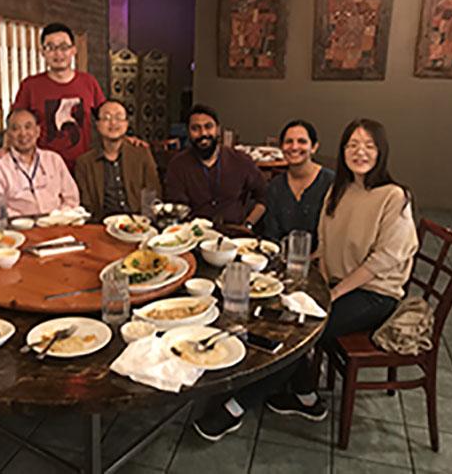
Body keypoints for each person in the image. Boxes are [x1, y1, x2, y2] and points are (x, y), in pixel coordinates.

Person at [265, 118, 419, 421]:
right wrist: (308, 280)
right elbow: (325, 243)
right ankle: (303, 391)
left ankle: (242, 403)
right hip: (336, 284)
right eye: (353, 145)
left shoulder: (394, 196)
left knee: (304, 329)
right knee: (280, 310)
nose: (360, 152)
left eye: (369, 146)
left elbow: (381, 261)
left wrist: (331, 294)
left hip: (374, 294)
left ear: (381, 152)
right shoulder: (340, 190)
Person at [11, 22, 105, 171]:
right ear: (42, 52)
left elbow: (105, 117)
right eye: (51, 48)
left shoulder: (88, 82)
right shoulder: (30, 85)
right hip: (42, 169)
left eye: (63, 47)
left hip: (83, 167)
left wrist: (126, 140)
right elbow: (15, 123)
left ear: (73, 50)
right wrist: (5, 150)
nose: (58, 54)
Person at [165, 104, 266, 230]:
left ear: (218, 129)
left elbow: (263, 197)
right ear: (188, 132)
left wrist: (248, 224)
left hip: (235, 236)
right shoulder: (178, 165)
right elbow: (176, 208)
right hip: (194, 234)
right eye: (195, 128)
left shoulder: (240, 160)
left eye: (208, 127)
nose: (203, 133)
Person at [74, 99, 161, 220]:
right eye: (106, 118)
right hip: (101, 226)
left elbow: (152, 193)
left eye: (119, 117)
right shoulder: (84, 163)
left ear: (126, 123)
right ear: (97, 124)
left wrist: (145, 223)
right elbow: (86, 206)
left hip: (138, 223)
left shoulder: (141, 153)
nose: (113, 122)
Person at [0, 108, 79, 217]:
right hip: (17, 229)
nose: (23, 133)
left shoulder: (54, 160)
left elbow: (72, 199)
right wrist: (27, 222)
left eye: (28, 127)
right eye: (15, 129)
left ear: (37, 131)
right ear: (8, 135)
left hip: (58, 224)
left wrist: (58, 217)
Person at [263, 120, 334, 250]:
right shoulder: (275, 186)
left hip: (322, 263)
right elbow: (271, 235)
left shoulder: (331, 183)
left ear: (314, 147)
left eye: (302, 141)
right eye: (289, 142)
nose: (294, 147)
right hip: (281, 260)